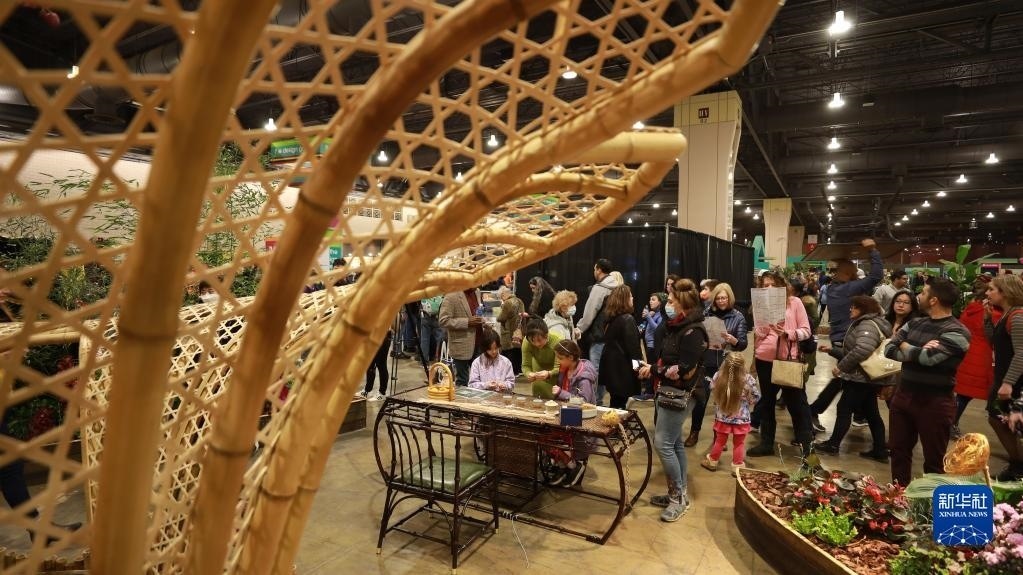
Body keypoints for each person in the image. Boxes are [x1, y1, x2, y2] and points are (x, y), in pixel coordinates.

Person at [884, 278, 970, 486]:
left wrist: (905, 345)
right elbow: (888, 349)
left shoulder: (958, 332)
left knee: (934, 460)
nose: (918, 296)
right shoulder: (915, 323)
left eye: (923, 293)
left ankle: (929, 501)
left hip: (935, 402)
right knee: (898, 451)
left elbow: (928, 359)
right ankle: (898, 497)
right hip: (903, 396)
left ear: (933, 300)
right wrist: (916, 348)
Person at [638, 278, 708, 522]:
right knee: (674, 443)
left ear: (682, 302)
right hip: (668, 391)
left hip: (681, 393)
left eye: (670, 300)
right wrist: (655, 369)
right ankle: (677, 494)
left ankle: (678, 499)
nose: (668, 303)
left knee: (663, 444)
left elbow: (684, 369)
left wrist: (654, 370)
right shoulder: (677, 326)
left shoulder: (693, 331)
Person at [810, 238, 884, 431]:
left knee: (848, 382)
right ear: (849, 273)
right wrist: (872, 250)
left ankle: (857, 415)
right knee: (848, 381)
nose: (858, 275)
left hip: (841, 339)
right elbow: (876, 275)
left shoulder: (835, 288)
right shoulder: (848, 288)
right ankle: (815, 411)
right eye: (854, 272)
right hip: (847, 341)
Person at [812, 296, 891, 461]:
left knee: (844, 409)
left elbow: (863, 349)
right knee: (872, 413)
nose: (850, 309)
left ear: (863, 309)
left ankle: (833, 445)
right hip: (867, 378)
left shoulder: (866, 324)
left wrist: (841, 367)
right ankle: (880, 450)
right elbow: (856, 351)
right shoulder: (872, 323)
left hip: (859, 378)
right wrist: (832, 351)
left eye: (854, 306)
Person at [747, 271, 814, 458]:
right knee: (767, 403)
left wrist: (787, 333)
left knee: (797, 405)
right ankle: (766, 443)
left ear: (782, 286)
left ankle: (808, 450)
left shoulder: (794, 302)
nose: (769, 288)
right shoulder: (760, 304)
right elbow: (760, 334)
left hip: (787, 361)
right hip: (764, 360)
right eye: (765, 285)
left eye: (773, 284)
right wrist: (764, 325)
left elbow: (806, 331)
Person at [685, 282, 748, 447]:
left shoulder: (738, 317)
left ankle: (720, 437)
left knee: (721, 401)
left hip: (726, 364)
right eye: (718, 298)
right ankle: (694, 432)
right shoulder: (705, 313)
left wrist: (733, 340)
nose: (721, 301)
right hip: (706, 361)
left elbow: (743, 344)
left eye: (724, 298)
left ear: (729, 298)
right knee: (700, 398)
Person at [983, 274, 1023, 481]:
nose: (987, 293)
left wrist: (1008, 383)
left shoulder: (1017, 316)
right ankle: (1017, 464)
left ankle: (1018, 466)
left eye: (992, 289)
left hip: (1014, 382)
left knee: (1010, 423)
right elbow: (994, 342)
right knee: (997, 418)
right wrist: (987, 319)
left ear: (1005, 292)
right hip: (1004, 377)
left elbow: (1022, 353)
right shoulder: (1007, 314)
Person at [544, 339, 596, 487]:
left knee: (552, 431)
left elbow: (584, 402)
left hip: (581, 415)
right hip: (567, 411)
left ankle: (572, 464)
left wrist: (562, 393)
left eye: (560, 358)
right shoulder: (565, 369)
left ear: (571, 357)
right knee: (544, 431)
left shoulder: (584, 377)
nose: (558, 361)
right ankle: (562, 464)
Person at [700, 352, 760, 476]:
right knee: (739, 443)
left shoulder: (718, 376)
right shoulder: (748, 379)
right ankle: (737, 467)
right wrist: (748, 401)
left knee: (720, 441)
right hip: (742, 419)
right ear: (742, 365)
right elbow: (756, 397)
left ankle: (712, 461)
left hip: (722, 417)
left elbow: (712, 388)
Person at [954, 277, 1000, 438]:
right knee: (966, 393)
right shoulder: (992, 312)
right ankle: (951, 423)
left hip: (968, 351)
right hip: (982, 355)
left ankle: (951, 422)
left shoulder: (972, 306)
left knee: (963, 392)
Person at [577, 258, 620, 404]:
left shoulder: (600, 288)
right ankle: (600, 400)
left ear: (599, 269)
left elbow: (590, 312)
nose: (594, 271)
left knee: (594, 370)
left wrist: (580, 328)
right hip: (613, 336)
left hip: (599, 335)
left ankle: (593, 402)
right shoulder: (618, 288)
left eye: (594, 269)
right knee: (605, 370)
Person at [598, 284, 645, 409]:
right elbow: (634, 349)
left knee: (615, 404)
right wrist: (639, 369)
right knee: (619, 408)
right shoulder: (627, 319)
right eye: (630, 296)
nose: (633, 298)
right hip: (623, 372)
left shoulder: (610, 320)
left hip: (612, 370)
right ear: (624, 299)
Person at [439, 288, 484, 386]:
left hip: (479, 344)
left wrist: (484, 322)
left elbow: (478, 312)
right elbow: (443, 320)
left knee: (479, 380)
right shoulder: (451, 295)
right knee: (463, 381)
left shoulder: (477, 292)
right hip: (461, 346)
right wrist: (467, 322)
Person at [633, 292, 668, 402]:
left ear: (660, 302)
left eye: (653, 299)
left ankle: (649, 392)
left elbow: (658, 329)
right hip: (649, 345)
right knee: (649, 366)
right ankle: (648, 391)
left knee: (652, 368)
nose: (650, 302)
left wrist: (648, 317)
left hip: (654, 346)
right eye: (650, 299)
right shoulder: (654, 314)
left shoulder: (660, 315)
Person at [522, 318, 561, 399]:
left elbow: (559, 367)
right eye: (532, 341)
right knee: (538, 394)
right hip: (538, 367)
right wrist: (528, 373)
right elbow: (525, 365)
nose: (536, 344)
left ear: (546, 335)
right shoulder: (527, 342)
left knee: (555, 397)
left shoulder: (557, 341)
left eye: (539, 340)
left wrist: (549, 373)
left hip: (555, 371)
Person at [496, 286, 524, 373]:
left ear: (503, 294)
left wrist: (499, 313)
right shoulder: (519, 301)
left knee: (509, 352)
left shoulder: (507, 303)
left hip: (508, 331)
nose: (502, 299)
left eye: (501, 297)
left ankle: (511, 371)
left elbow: (501, 318)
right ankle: (518, 370)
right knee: (517, 350)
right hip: (518, 330)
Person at [359, 328, 392, 401]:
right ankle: (367, 390)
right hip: (374, 335)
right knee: (371, 364)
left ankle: (381, 393)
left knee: (381, 365)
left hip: (382, 335)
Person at [419, 293, 446, 369]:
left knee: (424, 339)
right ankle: (438, 359)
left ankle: (424, 361)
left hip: (425, 313)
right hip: (438, 314)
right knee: (439, 338)